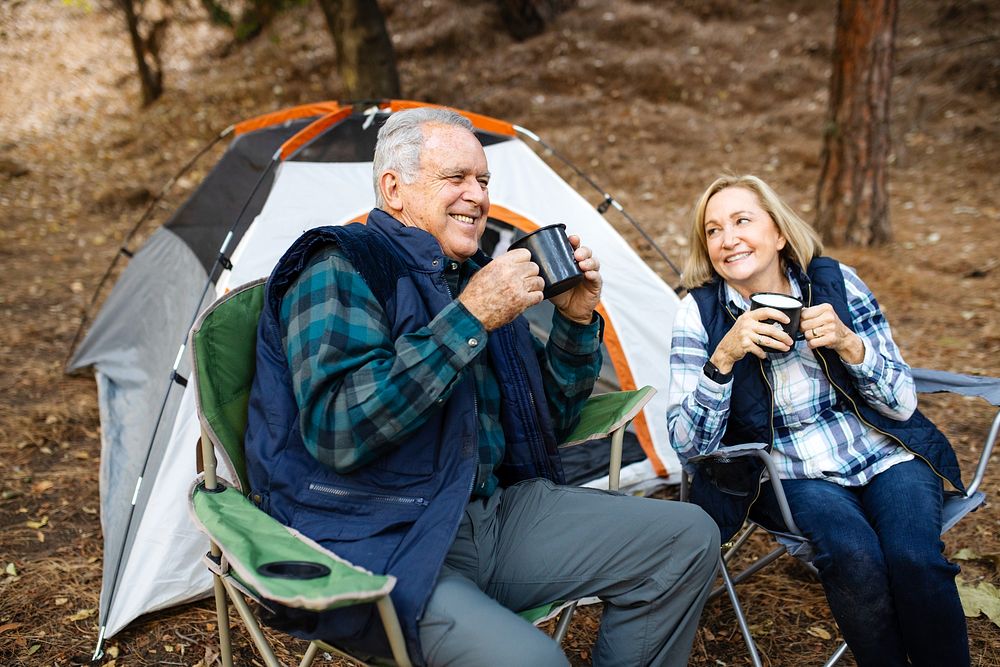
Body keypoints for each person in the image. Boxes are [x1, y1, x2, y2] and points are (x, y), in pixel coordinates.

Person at [243, 106, 720, 667]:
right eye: (457, 178)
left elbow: (550, 424)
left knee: (686, 539)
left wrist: (573, 321)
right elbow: (338, 430)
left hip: (490, 516)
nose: (478, 196)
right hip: (379, 535)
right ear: (394, 188)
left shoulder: (469, 278)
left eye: (485, 180)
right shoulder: (340, 266)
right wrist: (469, 320)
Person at [667, 174, 970, 667]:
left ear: (779, 233)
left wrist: (850, 344)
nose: (728, 239)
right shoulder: (697, 314)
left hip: (883, 452)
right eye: (713, 230)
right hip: (793, 475)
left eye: (742, 220)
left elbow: (902, 404)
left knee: (914, 559)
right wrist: (723, 359)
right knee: (855, 558)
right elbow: (687, 448)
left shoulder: (837, 283)